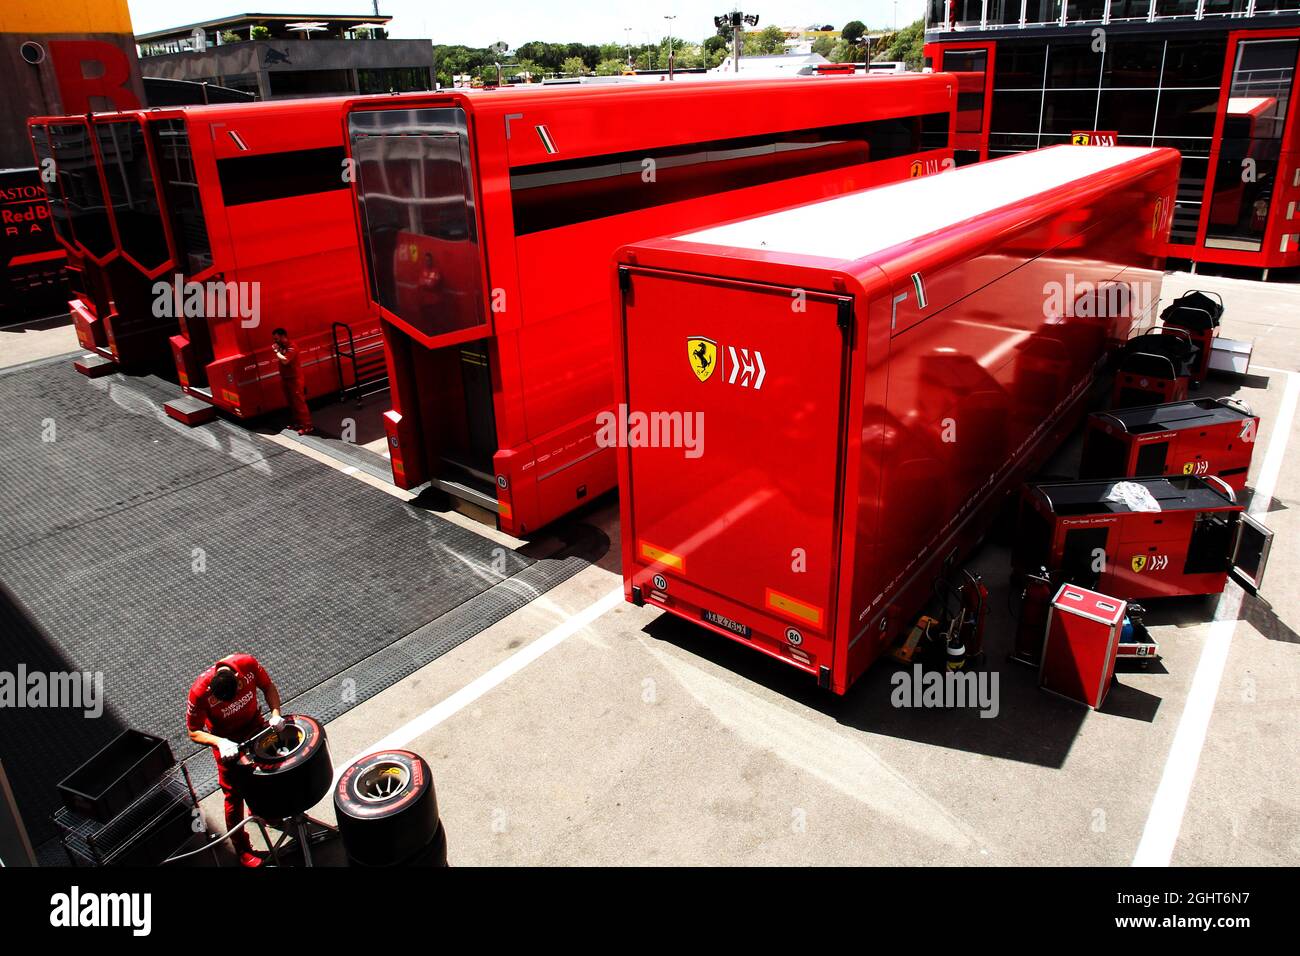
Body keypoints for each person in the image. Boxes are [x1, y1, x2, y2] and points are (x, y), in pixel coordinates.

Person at [186, 654, 285, 868]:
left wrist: (276, 714)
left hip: (255, 727)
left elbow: (268, 687)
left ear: (239, 680)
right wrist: (220, 743)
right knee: (233, 794)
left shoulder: (247, 664)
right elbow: (193, 731)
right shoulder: (199, 692)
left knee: (268, 774)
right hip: (227, 743)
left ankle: (265, 811)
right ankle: (241, 848)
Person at [271, 328, 313, 435]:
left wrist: (276, 352)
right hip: (286, 378)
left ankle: (307, 426)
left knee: (299, 403)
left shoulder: (292, 347)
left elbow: (285, 360)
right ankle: (297, 423)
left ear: (283, 336)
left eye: (276, 338)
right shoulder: (282, 347)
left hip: (295, 379)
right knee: (291, 402)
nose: (275, 341)